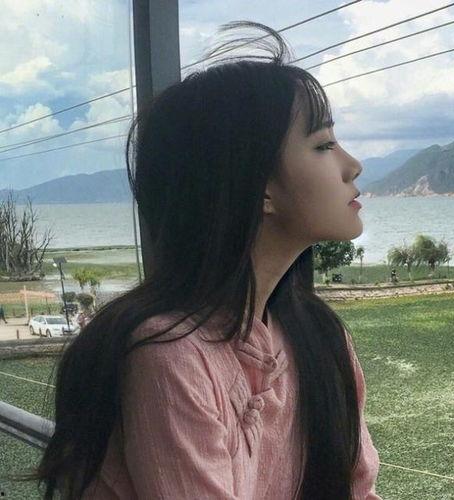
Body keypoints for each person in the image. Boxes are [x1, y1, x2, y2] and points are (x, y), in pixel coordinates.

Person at [27, 21, 381, 499]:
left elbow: (358, 490)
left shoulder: (320, 337)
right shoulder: (169, 355)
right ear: (257, 185)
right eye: (322, 145)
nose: (352, 165)